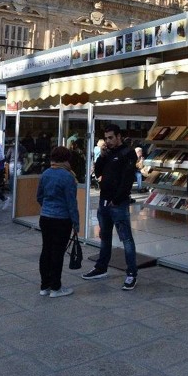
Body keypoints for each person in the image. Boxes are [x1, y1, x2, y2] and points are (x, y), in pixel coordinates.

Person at [82, 124, 138, 290]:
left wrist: (118, 198)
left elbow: (127, 179)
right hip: (104, 201)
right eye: (106, 138)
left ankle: (131, 273)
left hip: (117, 203)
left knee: (126, 238)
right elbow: (98, 171)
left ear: (119, 136)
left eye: (111, 137)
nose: (108, 141)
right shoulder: (108, 153)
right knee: (105, 236)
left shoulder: (127, 153)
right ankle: (101, 267)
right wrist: (102, 156)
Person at [36, 146, 80, 298]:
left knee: (46, 250)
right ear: (66, 159)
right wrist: (76, 222)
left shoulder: (46, 173)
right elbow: (71, 203)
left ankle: (44, 286)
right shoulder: (68, 177)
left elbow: (39, 196)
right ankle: (56, 287)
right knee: (57, 253)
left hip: (46, 217)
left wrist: (47, 207)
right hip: (62, 219)